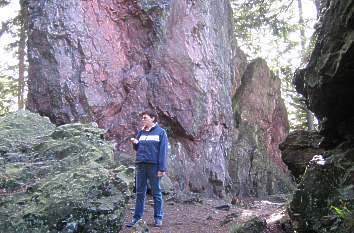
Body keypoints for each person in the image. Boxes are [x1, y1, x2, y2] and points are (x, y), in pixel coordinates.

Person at [127, 110, 169, 228]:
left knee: (156, 192)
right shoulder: (141, 132)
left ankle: (158, 218)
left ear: (153, 118)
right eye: (142, 118)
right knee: (140, 192)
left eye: (145, 118)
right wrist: (135, 143)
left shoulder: (161, 132)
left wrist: (162, 168)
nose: (143, 120)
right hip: (140, 165)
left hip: (154, 166)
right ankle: (136, 219)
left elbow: (163, 151)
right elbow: (138, 148)